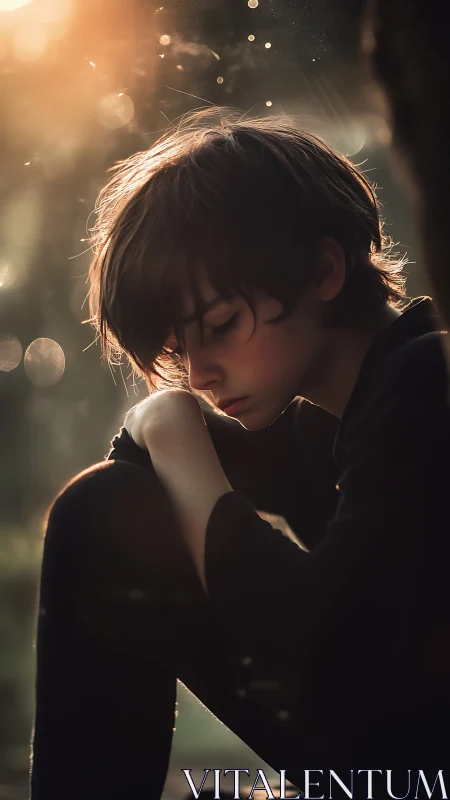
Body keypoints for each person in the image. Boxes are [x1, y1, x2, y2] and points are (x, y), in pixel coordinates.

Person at [30, 108, 450, 799]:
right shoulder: (323, 421)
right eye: (178, 347)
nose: (197, 373)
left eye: (220, 326)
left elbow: (326, 652)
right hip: (388, 762)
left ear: (322, 268)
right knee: (102, 505)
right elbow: (117, 516)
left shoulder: (428, 381)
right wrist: (160, 436)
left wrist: (171, 435)